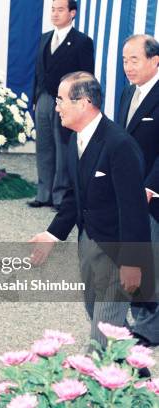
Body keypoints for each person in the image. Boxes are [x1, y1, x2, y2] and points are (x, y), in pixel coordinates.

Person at [30, 72, 154, 350]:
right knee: (100, 317)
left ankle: (91, 382)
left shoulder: (120, 145)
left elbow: (133, 210)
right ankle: (136, 371)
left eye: (61, 100)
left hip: (116, 250)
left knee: (103, 330)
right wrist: (53, 235)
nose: (57, 106)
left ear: (84, 103)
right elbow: (75, 196)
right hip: (88, 243)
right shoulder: (77, 137)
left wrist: (133, 262)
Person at [28, 0, 94, 211]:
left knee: (63, 146)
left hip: (68, 101)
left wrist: (80, 104)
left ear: (72, 13)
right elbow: (38, 71)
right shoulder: (45, 38)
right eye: (53, 9)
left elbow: (86, 76)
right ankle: (43, 193)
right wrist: (36, 98)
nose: (55, 14)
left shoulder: (82, 41)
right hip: (45, 98)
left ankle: (61, 196)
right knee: (44, 146)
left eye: (60, 10)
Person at [117, 34, 159, 348]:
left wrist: (149, 186)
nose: (128, 66)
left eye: (135, 59)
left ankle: (151, 329)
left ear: (154, 60)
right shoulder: (125, 94)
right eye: (125, 59)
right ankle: (138, 319)